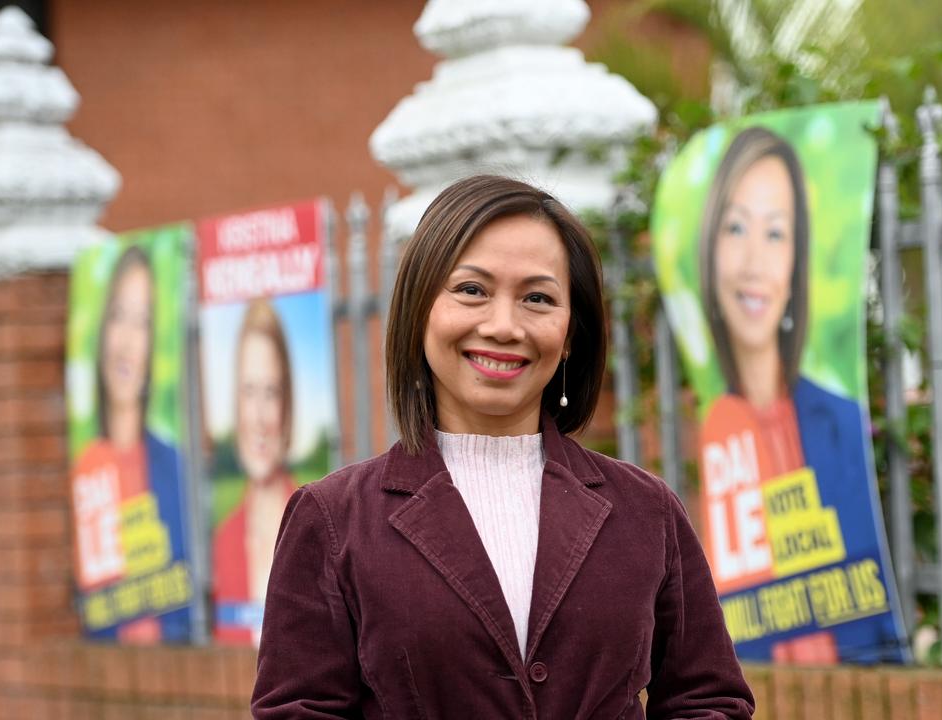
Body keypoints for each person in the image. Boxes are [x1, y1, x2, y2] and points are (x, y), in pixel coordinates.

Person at [252, 176, 754, 718]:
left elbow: (709, 700)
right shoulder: (334, 519)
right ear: (420, 309)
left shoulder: (646, 510)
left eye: (537, 298)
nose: (503, 326)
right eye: (472, 290)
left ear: (569, 337)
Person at [697, 126, 896, 663]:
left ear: (795, 265)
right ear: (710, 249)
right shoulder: (698, 432)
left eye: (776, 234)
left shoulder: (839, 421)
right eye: (736, 227)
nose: (753, 262)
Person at [70, 244, 192, 643]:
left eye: (142, 322)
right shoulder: (84, 471)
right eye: (119, 316)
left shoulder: (176, 467)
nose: (126, 341)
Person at [214, 298, 298, 644]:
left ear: (288, 402)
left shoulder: (318, 524)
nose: (260, 418)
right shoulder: (223, 539)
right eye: (249, 392)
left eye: (271, 392)